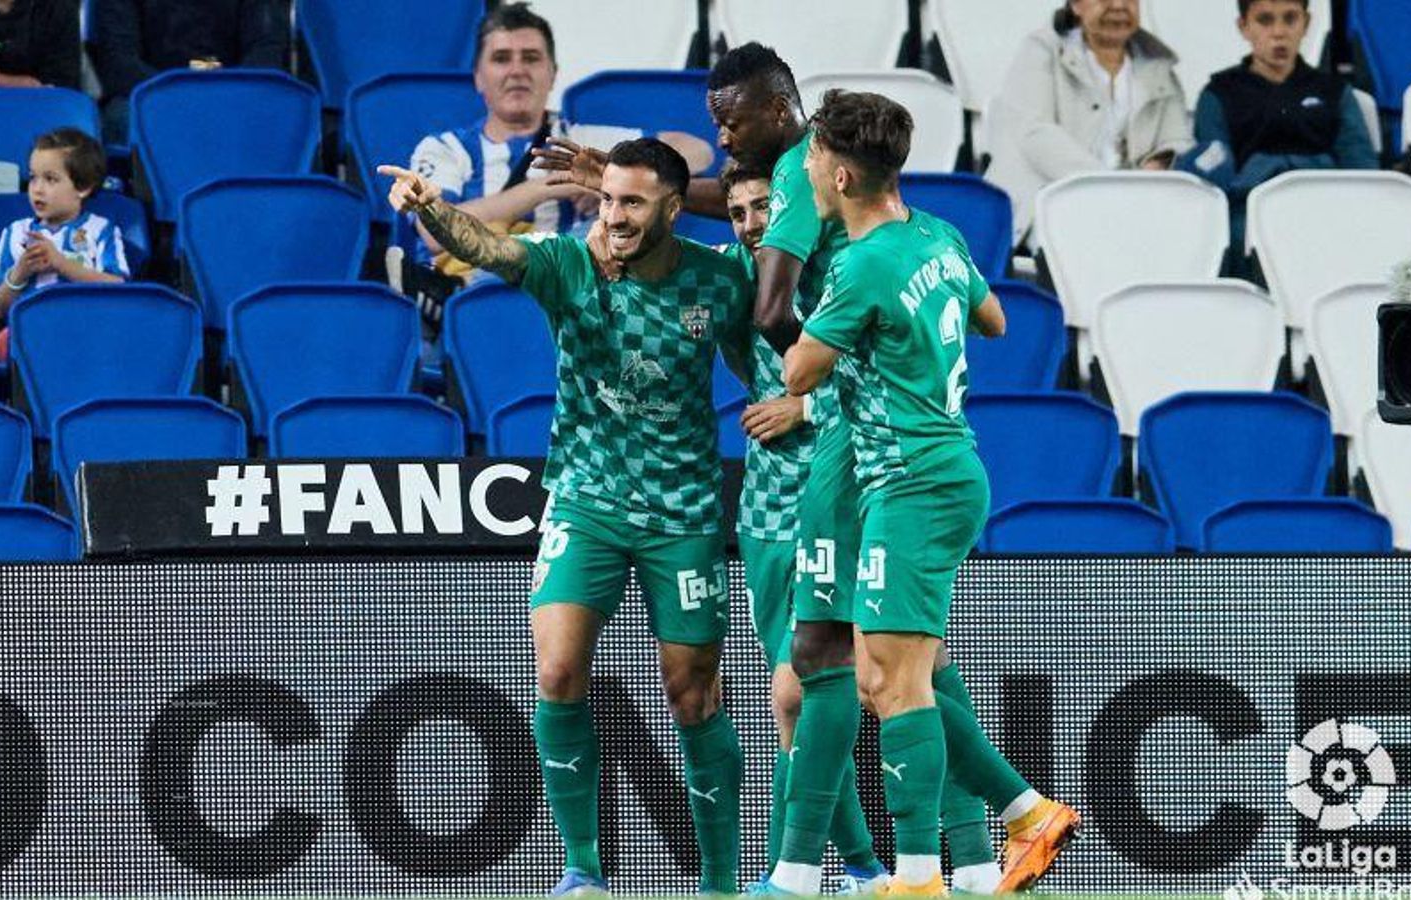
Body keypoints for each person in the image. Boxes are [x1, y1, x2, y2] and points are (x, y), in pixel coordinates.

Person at [380, 138, 750, 897]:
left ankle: (720, 882)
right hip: (586, 501)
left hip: (682, 512)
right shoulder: (568, 268)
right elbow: (493, 247)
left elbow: (770, 349)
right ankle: (582, 871)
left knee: (692, 693)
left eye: (633, 202)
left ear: (673, 210)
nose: (614, 216)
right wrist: (432, 210)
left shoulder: (718, 280)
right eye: (608, 199)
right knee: (555, 671)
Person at [782, 89, 1081, 896]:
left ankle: (920, 876)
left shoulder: (863, 261)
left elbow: (796, 372)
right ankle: (1020, 813)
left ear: (841, 175)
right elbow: (994, 320)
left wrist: (834, 312)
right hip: (941, 471)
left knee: (891, 682)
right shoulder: (940, 236)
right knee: (904, 672)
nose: (804, 169)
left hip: (911, 479)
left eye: (812, 157)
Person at [716, 160, 889, 894]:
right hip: (762, 511)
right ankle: (855, 870)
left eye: (764, 206)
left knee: (807, 691)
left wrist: (805, 408)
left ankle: (811, 870)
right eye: (737, 211)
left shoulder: (842, 267)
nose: (753, 222)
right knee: (794, 704)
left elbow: (890, 374)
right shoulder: (732, 273)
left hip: (840, 493)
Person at [406, 2, 713, 274]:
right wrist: (550, 188)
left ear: (553, 74)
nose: (517, 71)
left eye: (531, 58)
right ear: (478, 77)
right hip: (482, 300)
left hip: (570, 295)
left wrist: (613, 177)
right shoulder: (445, 149)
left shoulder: (578, 137)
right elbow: (435, 230)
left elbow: (698, 151)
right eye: (501, 58)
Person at [985, 0, 1193, 240]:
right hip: (1048, 201)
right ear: (1075, 5)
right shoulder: (1040, 51)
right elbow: (1035, 134)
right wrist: (1107, 187)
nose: (1118, 5)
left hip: (1134, 206)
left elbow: (1177, 140)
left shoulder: (1159, 66)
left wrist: (1160, 163)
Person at [1176, 0, 1377, 247]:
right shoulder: (1218, 94)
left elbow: (1364, 176)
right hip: (1249, 223)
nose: (1279, 32)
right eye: (1265, 20)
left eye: (1290, 18)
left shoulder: (1335, 92)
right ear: (1243, 26)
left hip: (1328, 215)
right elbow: (1216, 182)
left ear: (1306, 23)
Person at [0, 128, 129, 360]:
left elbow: (119, 289)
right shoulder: (15, 232)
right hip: (31, 330)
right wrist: (20, 273)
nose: (37, 189)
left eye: (50, 179)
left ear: (83, 187)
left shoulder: (102, 230)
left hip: (89, 329)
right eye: (33, 177)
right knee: (9, 338)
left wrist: (61, 264)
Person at [89, 0, 290, 145]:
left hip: (237, 93)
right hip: (152, 94)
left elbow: (267, 51)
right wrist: (176, 93)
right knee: (123, 118)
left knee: (288, 119)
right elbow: (118, 59)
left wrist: (227, 92)